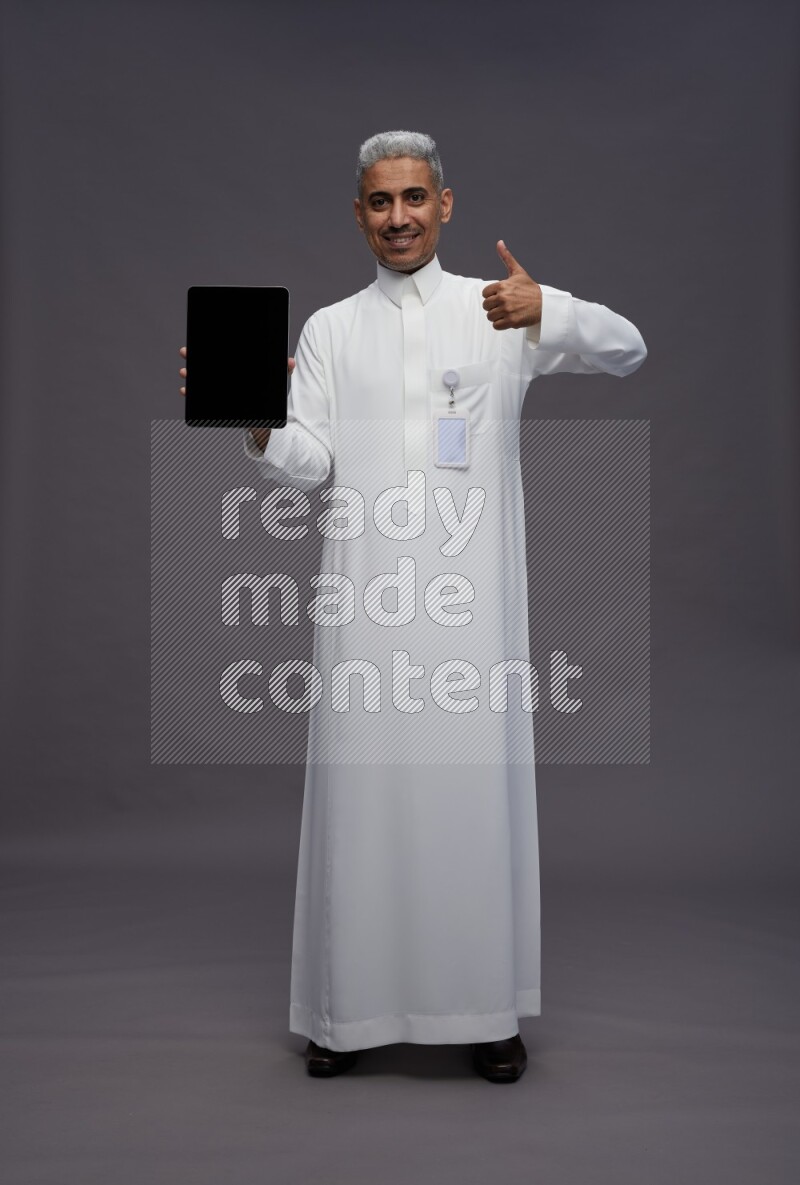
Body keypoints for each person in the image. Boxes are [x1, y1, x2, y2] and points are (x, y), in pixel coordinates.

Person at [179, 130, 646, 1083]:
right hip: (366, 606)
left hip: (474, 611)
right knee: (362, 805)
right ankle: (347, 1014)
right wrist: (261, 423)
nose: (399, 217)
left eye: (415, 198)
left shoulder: (495, 310)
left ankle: (485, 1012)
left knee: (471, 803)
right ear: (359, 215)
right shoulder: (329, 330)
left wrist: (549, 307)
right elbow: (309, 465)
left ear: (445, 204)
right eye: (381, 201)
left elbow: (629, 349)